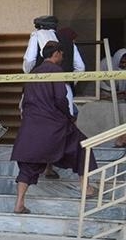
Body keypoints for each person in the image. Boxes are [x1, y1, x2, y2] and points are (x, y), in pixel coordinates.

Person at [11, 42, 98, 214]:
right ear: (56, 53)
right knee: (83, 146)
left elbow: (25, 99)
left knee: (29, 163)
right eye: (62, 54)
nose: (63, 57)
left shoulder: (33, 73)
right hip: (53, 122)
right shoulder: (56, 71)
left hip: (31, 124)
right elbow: (60, 98)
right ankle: (86, 188)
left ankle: (19, 202)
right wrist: (69, 116)